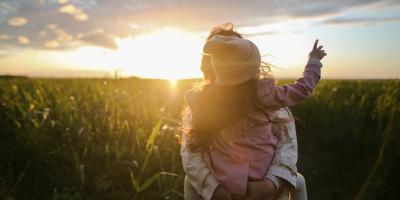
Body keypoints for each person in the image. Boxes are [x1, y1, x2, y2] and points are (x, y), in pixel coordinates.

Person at [181, 24, 326, 200]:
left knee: (190, 181)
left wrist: (220, 190)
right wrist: (314, 62)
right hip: (261, 175)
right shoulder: (267, 96)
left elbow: (192, 149)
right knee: (299, 182)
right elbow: (302, 89)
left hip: (226, 180)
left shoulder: (203, 100)